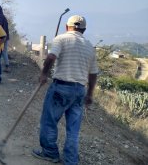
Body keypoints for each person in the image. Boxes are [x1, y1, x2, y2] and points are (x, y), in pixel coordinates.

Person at [31, 15, 98, 165]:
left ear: (67, 27)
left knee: (49, 121)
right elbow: (93, 74)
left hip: (61, 87)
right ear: (84, 30)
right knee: (73, 129)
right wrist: (90, 94)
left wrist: (43, 74)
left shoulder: (61, 39)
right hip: (79, 90)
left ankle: (50, 153)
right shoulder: (89, 46)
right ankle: (71, 161)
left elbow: (51, 57)